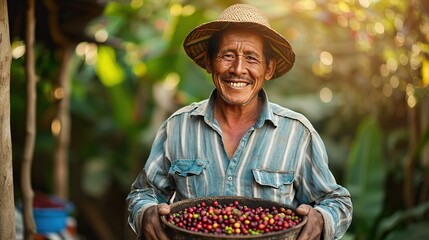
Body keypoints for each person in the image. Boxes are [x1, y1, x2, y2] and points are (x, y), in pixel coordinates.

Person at [127, 3, 352, 240]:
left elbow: (337, 201)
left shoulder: (296, 133)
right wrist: (145, 213)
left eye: (252, 58)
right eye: (227, 55)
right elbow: (143, 193)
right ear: (209, 62)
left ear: (268, 69)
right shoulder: (177, 128)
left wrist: (321, 218)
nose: (238, 69)